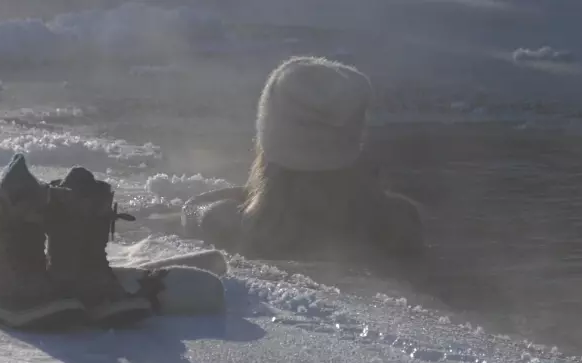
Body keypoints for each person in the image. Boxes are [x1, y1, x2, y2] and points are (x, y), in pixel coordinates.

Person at [182, 56, 425, 263]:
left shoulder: (231, 224)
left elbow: (194, 208)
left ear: (270, 140)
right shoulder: (399, 220)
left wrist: (246, 194)